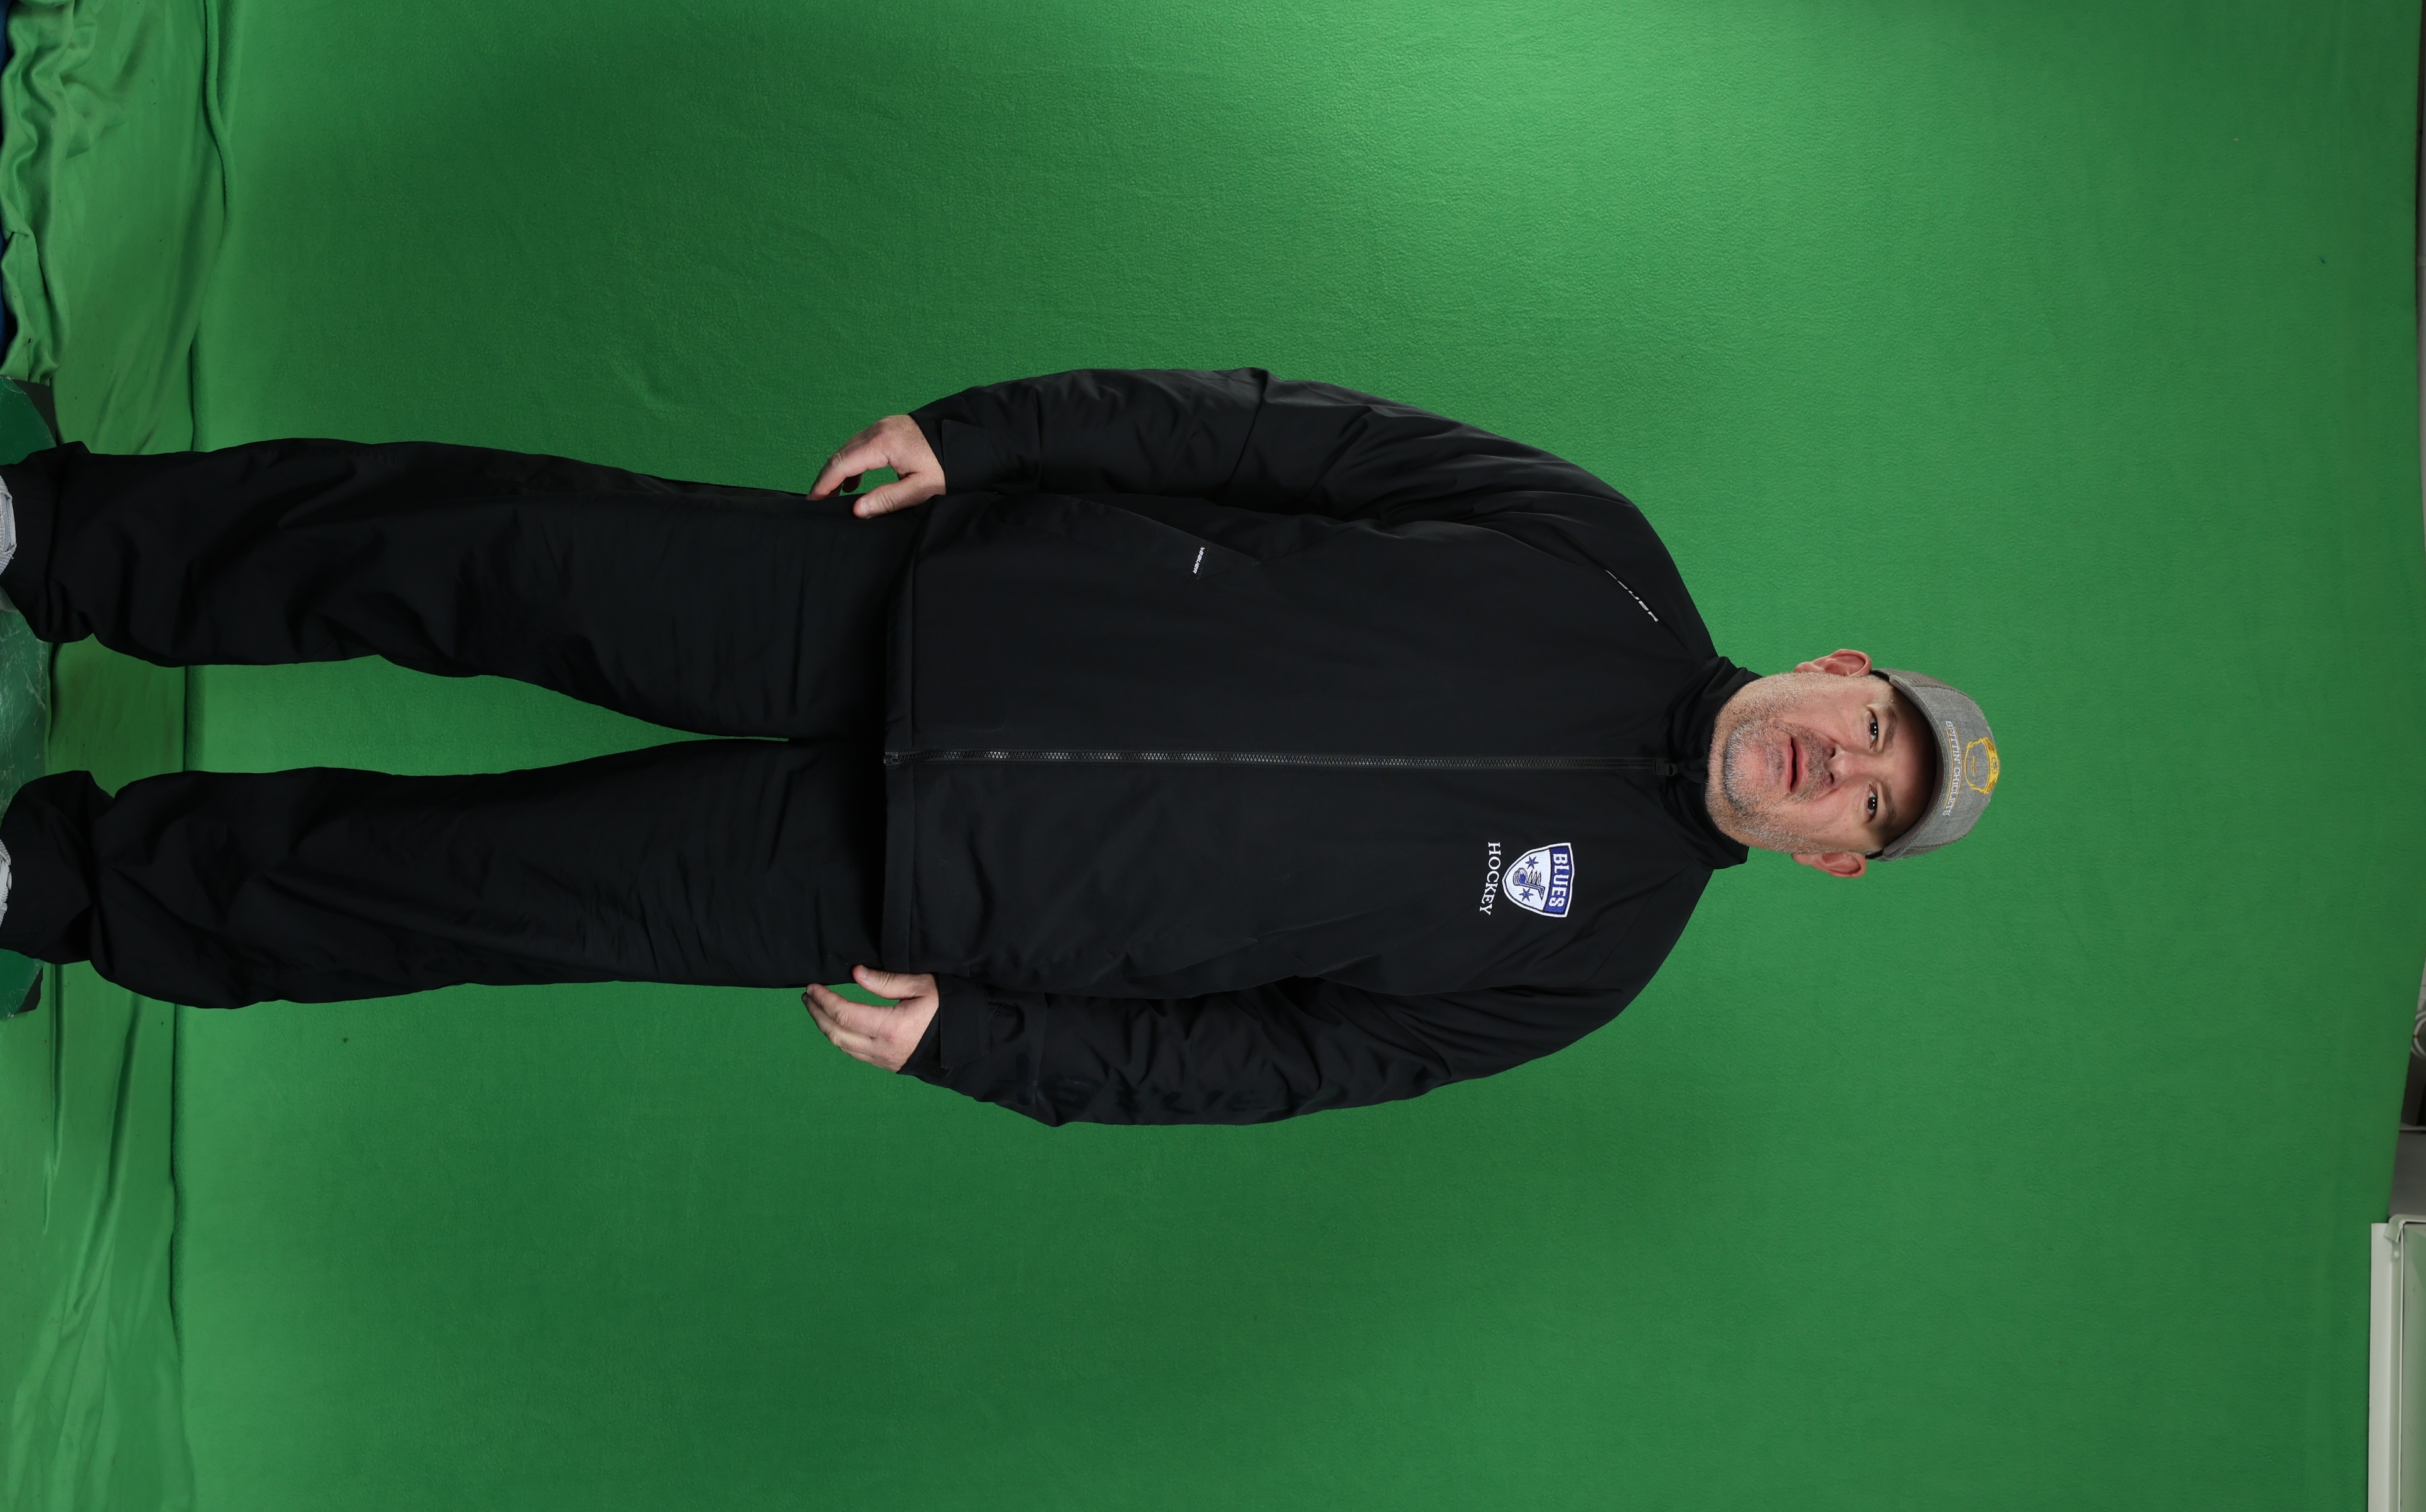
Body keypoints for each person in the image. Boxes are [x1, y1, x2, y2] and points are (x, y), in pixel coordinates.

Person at [0, 368, 2000, 1125]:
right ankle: (60, 535)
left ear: (1834, 858)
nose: (1843, 764)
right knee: (483, 549)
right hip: (912, 597)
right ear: (1840, 667)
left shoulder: (1587, 963)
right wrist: (992, 437)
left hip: (903, 888)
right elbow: (1276, 437)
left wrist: (979, 1042)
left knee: (455, 891)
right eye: (1871, 725)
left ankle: (59, 884)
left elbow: (1275, 1064)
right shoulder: (1596, 554)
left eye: (1872, 802)